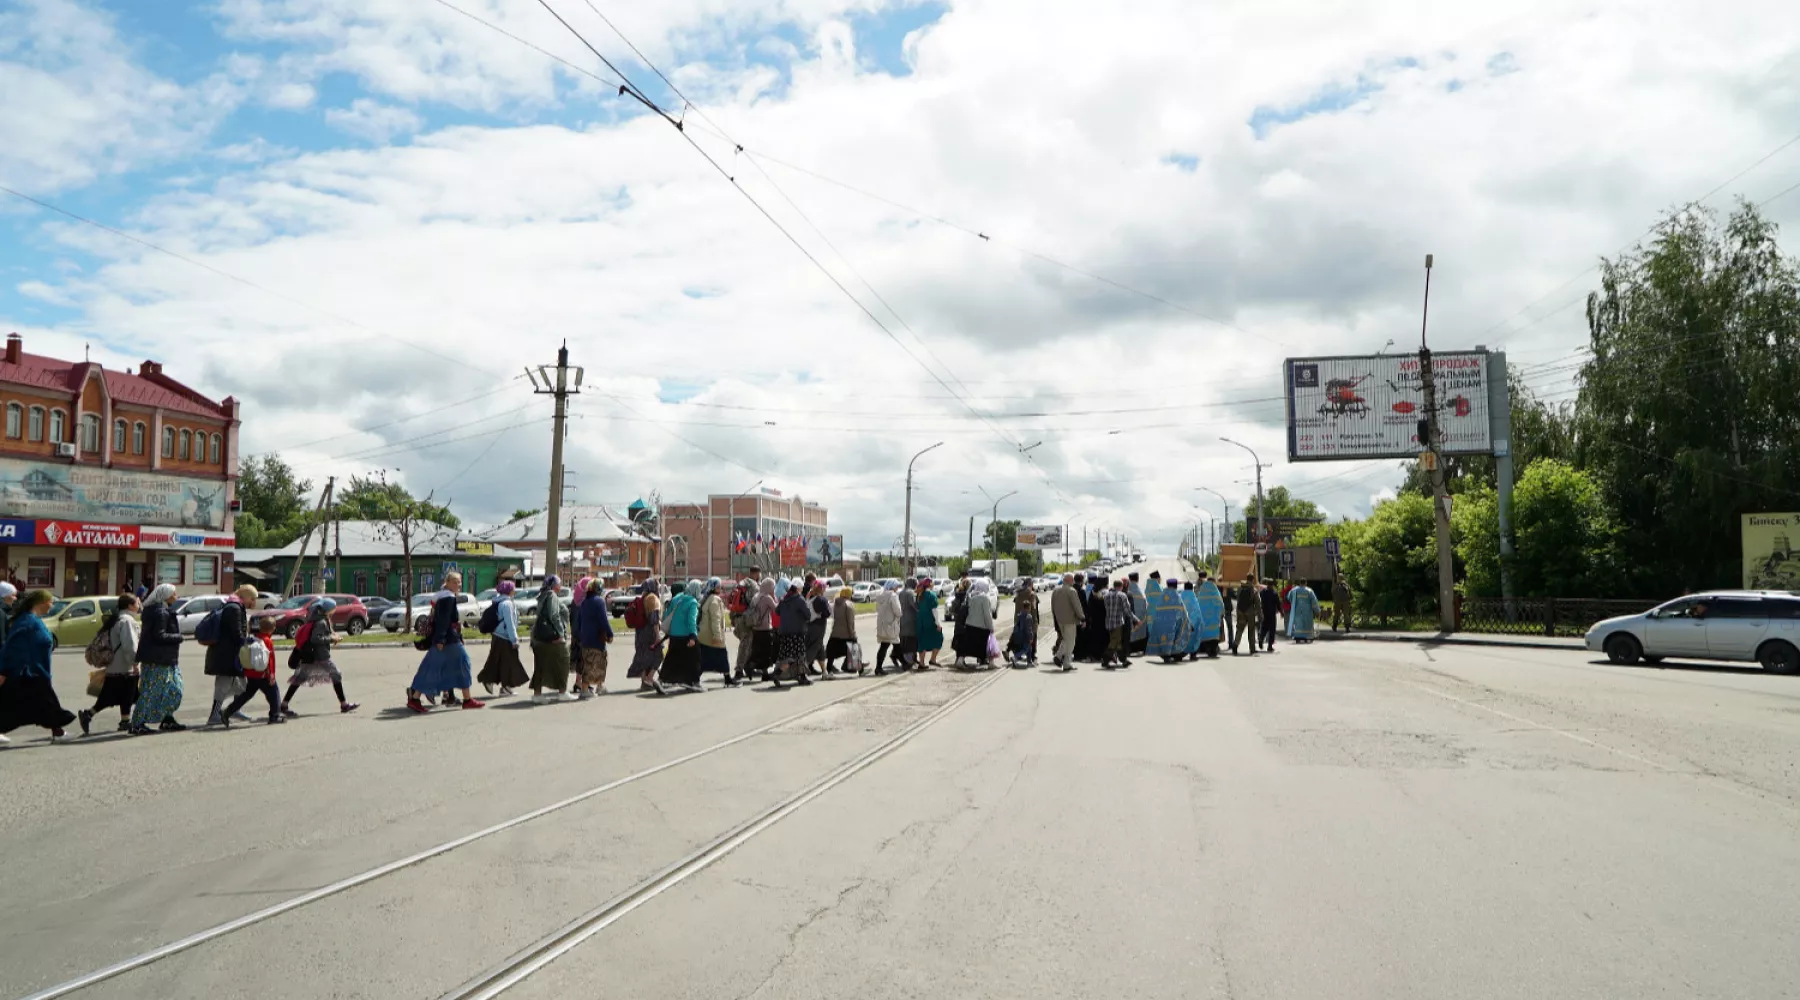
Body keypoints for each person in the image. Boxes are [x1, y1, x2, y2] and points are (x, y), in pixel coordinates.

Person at [0, 589, 75, 742]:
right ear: (40, 603)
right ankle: (58, 731)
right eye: (50, 602)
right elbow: (12, 648)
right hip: (29, 674)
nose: (52, 605)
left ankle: (58, 731)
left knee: (43, 706)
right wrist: (5, 670)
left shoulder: (33, 619)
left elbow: (44, 640)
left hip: (37, 672)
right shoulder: (27, 622)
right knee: (22, 708)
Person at [406, 574, 484, 712]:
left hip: (445, 639)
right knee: (462, 663)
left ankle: (465, 699)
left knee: (433, 666)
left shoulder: (442, 596)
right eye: (455, 582)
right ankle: (466, 700)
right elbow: (444, 620)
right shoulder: (448, 598)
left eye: (460, 582)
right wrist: (441, 639)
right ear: (447, 582)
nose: (458, 585)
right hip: (448, 639)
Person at [284, 598, 360, 716]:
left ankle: (284, 704)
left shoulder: (316, 619)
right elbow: (316, 639)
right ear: (328, 609)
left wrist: (332, 636)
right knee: (336, 674)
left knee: (300, 678)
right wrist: (332, 639)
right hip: (320, 656)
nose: (334, 610)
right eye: (333, 608)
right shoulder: (321, 622)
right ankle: (344, 705)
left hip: (310, 655)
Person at [79, 593, 141, 735]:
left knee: (119, 694)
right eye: (137, 603)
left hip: (115, 664)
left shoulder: (117, 618)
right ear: (130, 606)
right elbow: (129, 645)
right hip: (124, 665)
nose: (139, 606)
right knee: (124, 693)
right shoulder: (127, 621)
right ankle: (90, 714)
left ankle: (123, 720)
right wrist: (135, 662)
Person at [130, 584, 186, 734]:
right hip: (158, 659)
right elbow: (159, 635)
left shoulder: (157, 610)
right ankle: (137, 723)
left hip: (163, 658)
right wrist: (178, 637)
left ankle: (167, 720)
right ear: (166, 595)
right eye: (174, 593)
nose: (176, 596)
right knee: (151, 691)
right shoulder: (160, 612)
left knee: (173, 689)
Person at [204, 585, 256, 727]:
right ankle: (214, 715)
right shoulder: (233, 608)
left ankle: (234, 709)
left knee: (241, 683)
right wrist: (247, 641)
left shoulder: (235, 606)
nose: (254, 602)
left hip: (233, 653)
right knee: (223, 685)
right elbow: (236, 633)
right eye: (252, 599)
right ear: (245, 597)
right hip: (227, 655)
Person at [221, 616, 284, 726]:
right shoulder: (267, 641)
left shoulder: (253, 639)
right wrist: (271, 675)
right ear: (273, 629)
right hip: (263, 674)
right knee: (274, 693)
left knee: (247, 694)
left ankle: (227, 712)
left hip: (251, 673)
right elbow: (270, 660)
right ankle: (275, 715)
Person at [479, 580, 529, 696]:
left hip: (498, 635)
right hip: (505, 637)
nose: (515, 590)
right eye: (513, 588)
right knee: (509, 663)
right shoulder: (507, 604)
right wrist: (514, 639)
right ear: (509, 590)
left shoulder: (498, 601)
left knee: (498, 661)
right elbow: (510, 623)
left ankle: (493, 682)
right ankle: (504, 687)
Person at [529, 576, 573, 703]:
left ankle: (537, 695)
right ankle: (562, 692)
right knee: (563, 662)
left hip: (540, 637)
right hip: (552, 637)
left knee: (540, 666)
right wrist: (560, 634)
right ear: (554, 585)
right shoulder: (552, 595)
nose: (561, 585)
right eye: (560, 583)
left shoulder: (542, 595)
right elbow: (554, 615)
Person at [657, 580, 703, 694]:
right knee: (694, 659)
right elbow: (691, 620)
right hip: (686, 635)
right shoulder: (692, 602)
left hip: (674, 635)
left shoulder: (677, 598)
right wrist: (693, 636)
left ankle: (661, 680)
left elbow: (667, 614)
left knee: (672, 658)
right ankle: (693, 682)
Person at [576, 579, 616, 697]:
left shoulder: (584, 602)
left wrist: (580, 634)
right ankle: (585, 690)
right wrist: (610, 633)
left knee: (588, 663)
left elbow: (579, 621)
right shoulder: (599, 602)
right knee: (599, 662)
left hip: (585, 638)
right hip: (596, 638)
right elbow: (603, 620)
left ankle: (600, 685)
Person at [697, 577, 738, 688]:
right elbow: (716, 619)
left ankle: (695, 679)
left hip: (704, 635)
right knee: (721, 656)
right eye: (718, 586)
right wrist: (717, 636)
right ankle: (728, 680)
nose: (720, 588)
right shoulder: (715, 600)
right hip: (712, 635)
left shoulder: (707, 598)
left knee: (705, 658)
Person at [771, 583, 814, 687]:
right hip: (797, 632)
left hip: (785, 633)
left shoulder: (784, 600)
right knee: (797, 656)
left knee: (791, 656)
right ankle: (777, 673)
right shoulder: (799, 600)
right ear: (797, 590)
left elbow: (777, 612)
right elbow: (808, 615)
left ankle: (802, 677)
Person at [627, 577, 666, 690]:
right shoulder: (653, 598)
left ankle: (644, 681)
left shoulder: (643, 598)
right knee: (659, 655)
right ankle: (649, 678)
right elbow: (654, 619)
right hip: (650, 633)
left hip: (640, 632)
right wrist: (658, 636)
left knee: (643, 656)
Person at [1145, 576, 1192, 661]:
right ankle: (1175, 653)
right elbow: (1183, 612)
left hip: (1160, 625)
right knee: (1183, 628)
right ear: (1175, 586)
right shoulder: (1176, 596)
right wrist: (1189, 624)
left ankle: (1165, 654)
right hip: (1172, 627)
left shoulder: (1162, 595)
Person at [956, 578, 997, 668]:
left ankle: (960, 660)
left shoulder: (971, 596)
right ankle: (991, 663)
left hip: (969, 624)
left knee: (967, 645)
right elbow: (987, 614)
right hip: (981, 626)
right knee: (987, 645)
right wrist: (991, 626)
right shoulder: (984, 598)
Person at [730, 568, 760, 680]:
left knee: (747, 644)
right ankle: (739, 670)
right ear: (756, 573)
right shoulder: (753, 585)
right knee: (745, 645)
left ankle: (748, 667)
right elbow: (754, 603)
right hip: (746, 618)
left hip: (737, 617)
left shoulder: (740, 583)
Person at [1101, 578, 1138, 669]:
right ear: (1121, 586)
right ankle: (1105, 660)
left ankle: (1124, 660)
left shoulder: (1106, 595)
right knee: (1114, 642)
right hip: (1117, 623)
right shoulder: (1122, 595)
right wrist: (1136, 619)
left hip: (1109, 622)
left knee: (1118, 643)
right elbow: (1127, 611)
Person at [1050, 573, 1085, 670]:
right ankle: (1066, 663)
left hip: (1059, 620)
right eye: (1072, 580)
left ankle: (1058, 655)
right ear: (1070, 581)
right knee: (1071, 642)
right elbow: (1076, 606)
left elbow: (1052, 606)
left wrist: (1055, 618)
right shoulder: (1071, 591)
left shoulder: (1056, 591)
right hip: (1070, 620)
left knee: (1065, 639)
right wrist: (1082, 617)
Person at [748, 577, 779, 679]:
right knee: (767, 652)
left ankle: (752, 666)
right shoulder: (767, 598)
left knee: (757, 650)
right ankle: (764, 673)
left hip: (755, 628)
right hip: (766, 628)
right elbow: (776, 610)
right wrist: (774, 597)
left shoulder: (756, 596)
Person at [825, 586, 859, 674]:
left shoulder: (835, 603)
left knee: (831, 650)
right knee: (854, 647)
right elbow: (850, 621)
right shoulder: (849, 605)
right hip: (846, 633)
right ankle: (853, 668)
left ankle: (829, 668)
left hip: (835, 632)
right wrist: (853, 634)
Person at [914, 578, 944, 669]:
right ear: (930, 584)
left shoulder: (919, 594)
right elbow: (934, 610)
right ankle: (933, 659)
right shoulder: (931, 595)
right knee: (939, 638)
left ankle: (921, 662)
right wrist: (938, 623)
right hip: (929, 620)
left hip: (920, 620)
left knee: (922, 641)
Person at [873, 581, 902, 676]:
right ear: (893, 587)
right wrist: (899, 615)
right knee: (894, 644)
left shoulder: (880, 596)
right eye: (896, 586)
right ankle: (905, 663)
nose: (897, 588)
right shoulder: (893, 596)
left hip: (882, 624)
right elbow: (897, 610)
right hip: (891, 623)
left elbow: (877, 609)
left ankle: (879, 667)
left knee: (884, 645)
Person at [1079, 575, 1109, 662]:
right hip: (1104, 619)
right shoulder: (1106, 592)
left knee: (1095, 638)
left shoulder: (1093, 592)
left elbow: (1089, 607)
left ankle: (1095, 656)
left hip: (1095, 620)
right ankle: (1104, 655)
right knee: (1104, 638)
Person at [1009, 581, 1039, 666]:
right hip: (1029, 621)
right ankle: (1018, 657)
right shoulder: (1032, 595)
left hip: (1018, 621)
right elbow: (1034, 609)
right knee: (1028, 644)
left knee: (1022, 642)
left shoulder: (1018, 594)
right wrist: (1035, 622)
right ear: (1030, 585)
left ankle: (1029, 661)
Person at [805, 580, 832, 675]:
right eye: (824, 588)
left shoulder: (809, 598)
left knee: (820, 648)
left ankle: (825, 672)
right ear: (821, 589)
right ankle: (802, 667)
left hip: (809, 625)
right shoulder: (821, 600)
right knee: (814, 647)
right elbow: (827, 613)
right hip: (818, 626)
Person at [1230, 576, 1260, 656]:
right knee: (1251, 631)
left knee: (1239, 629)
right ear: (1253, 580)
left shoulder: (1240, 588)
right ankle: (1252, 649)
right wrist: (1260, 615)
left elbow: (1237, 598)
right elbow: (1257, 603)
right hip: (1250, 612)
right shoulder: (1254, 590)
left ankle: (1235, 645)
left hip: (1240, 611)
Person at [896, 578, 919, 670]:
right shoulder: (911, 593)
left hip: (902, 618)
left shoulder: (901, 593)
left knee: (903, 640)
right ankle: (910, 660)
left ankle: (909, 659)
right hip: (910, 620)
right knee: (911, 641)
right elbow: (914, 605)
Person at [1178, 580, 1205, 660]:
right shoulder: (1194, 598)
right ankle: (1193, 654)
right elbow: (1197, 613)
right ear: (1192, 588)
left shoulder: (1180, 597)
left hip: (1181, 625)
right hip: (1192, 626)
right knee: (1199, 629)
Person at [1127, 572, 1149, 656]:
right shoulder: (1141, 592)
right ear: (1138, 579)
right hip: (1140, 620)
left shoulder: (1126, 591)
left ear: (1129, 579)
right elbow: (1145, 605)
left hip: (1129, 619)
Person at [1258, 578, 1281, 652]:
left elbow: (1259, 601)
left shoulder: (1262, 592)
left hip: (1264, 613)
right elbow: (1278, 604)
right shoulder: (1274, 593)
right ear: (1272, 585)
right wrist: (1282, 612)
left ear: (1267, 585)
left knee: (1264, 628)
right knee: (1272, 630)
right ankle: (1270, 646)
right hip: (1271, 614)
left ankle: (1261, 638)